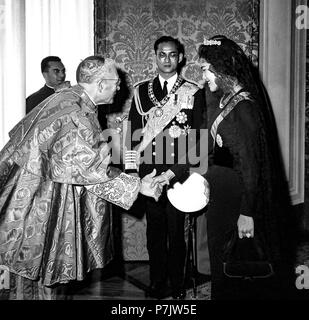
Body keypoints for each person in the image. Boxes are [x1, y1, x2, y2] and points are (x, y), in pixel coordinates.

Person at [0, 56, 161, 300]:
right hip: (40, 210)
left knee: (37, 278)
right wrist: (140, 187)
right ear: (99, 84)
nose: (119, 88)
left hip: (39, 203)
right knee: (41, 281)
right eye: (115, 83)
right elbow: (93, 171)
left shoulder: (71, 100)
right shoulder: (76, 113)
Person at [198, 35, 293, 300]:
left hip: (236, 199)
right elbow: (209, 147)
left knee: (236, 264)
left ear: (222, 68)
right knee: (222, 260)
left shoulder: (243, 108)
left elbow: (250, 166)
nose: (203, 76)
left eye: (205, 69)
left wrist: (246, 213)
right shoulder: (225, 100)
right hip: (223, 193)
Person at [125, 36, 206, 299]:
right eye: (162, 54)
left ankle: (178, 282)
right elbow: (132, 136)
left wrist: (183, 171)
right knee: (155, 232)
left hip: (177, 173)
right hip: (149, 175)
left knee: (177, 232)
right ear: (154, 57)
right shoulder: (141, 91)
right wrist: (130, 174)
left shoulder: (193, 92)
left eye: (172, 55)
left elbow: (198, 140)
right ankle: (158, 280)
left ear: (181, 57)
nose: (167, 60)